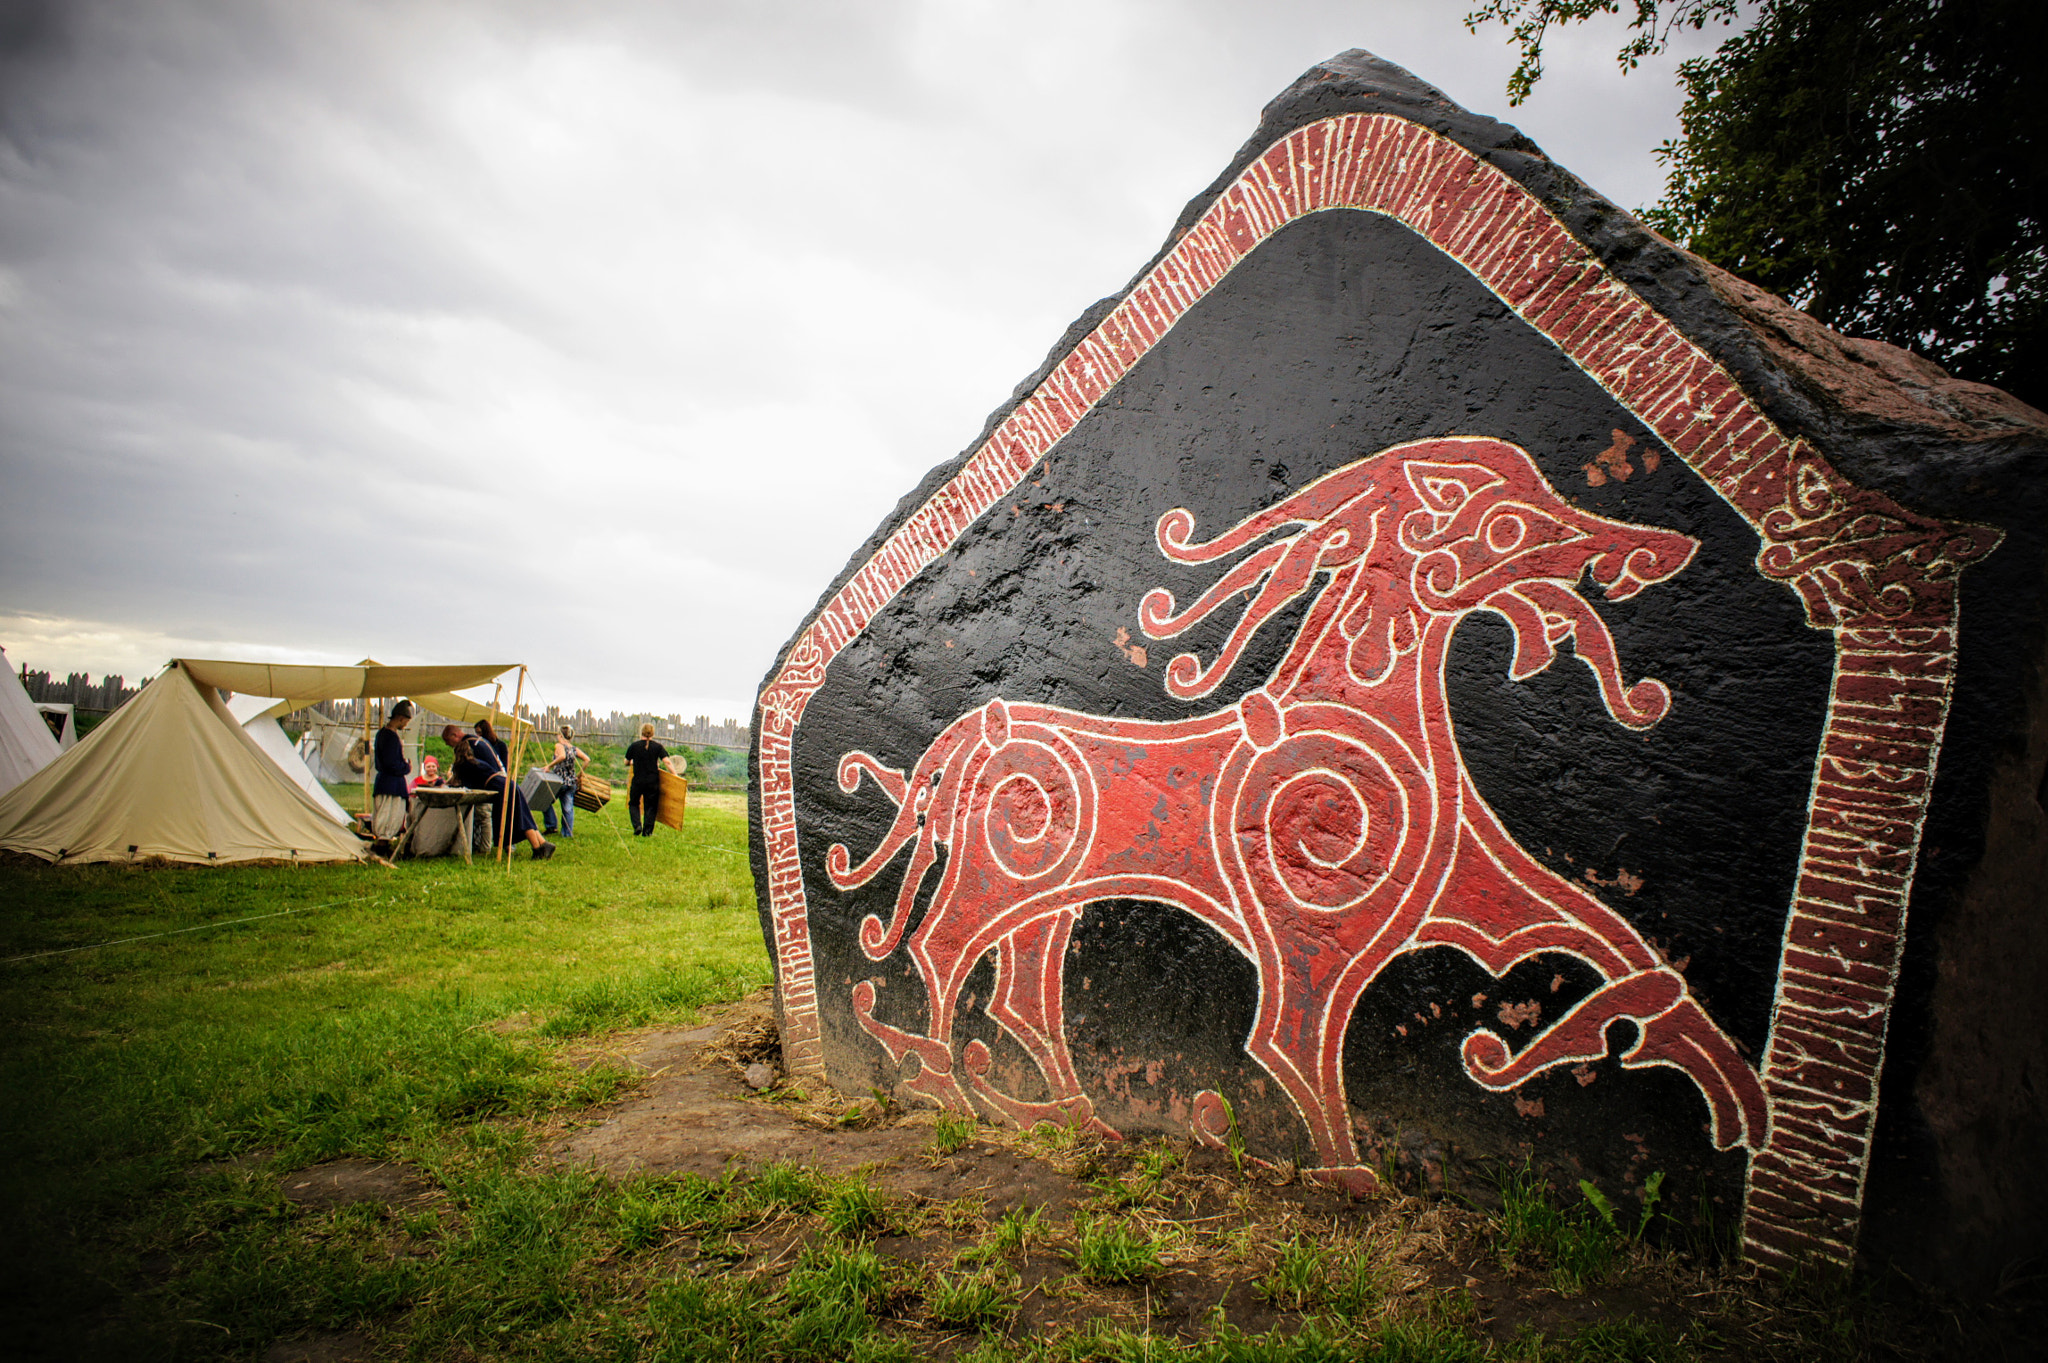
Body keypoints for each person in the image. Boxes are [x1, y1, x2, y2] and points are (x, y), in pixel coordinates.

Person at [444, 724, 555, 861]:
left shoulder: (471, 749)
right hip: (505, 781)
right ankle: (543, 844)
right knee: (522, 814)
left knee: (516, 816)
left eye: (449, 743)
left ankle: (538, 848)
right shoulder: (478, 745)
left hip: (499, 784)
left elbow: (466, 780)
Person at [371, 701, 415, 852]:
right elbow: (391, 763)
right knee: (388, 814)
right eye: (406, 721)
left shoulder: (385, 734)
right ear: (401, 718)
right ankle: (382, 845)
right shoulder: (388, 736)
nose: (406, 724)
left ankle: (384, 843)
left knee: (391, 813)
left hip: (389, 782)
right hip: (391, 783)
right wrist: (406, 766)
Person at [624, 722, 678, 836]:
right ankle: (647, 832)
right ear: (653, 733)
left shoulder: (634, 746)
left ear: (641, 732)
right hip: (652, 782)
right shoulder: (657, 747)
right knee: (651, 806)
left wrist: (633, 762)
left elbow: (626, 762)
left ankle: (637, 825)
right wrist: (675, 775)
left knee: (633, 803)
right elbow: (667, 762)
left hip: (638, 780)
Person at [542, 725, 590, 838]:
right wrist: (579, 775)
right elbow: (587, 760)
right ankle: (567, 833)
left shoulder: (559, 745)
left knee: (545, 801)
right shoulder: (574, 749)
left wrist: (549, 766)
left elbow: (562, 756)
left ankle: (551, 825)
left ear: (560, 735)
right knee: (568, 808)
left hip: (558, 781)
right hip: (571, 782)